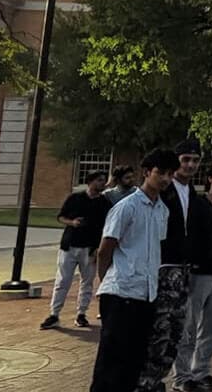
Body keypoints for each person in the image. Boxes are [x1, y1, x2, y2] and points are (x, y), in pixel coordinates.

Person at [90, 149, 177, 392]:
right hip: (120, 292)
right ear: (147, 172)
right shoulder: (126, 207)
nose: (165, 179)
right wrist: (106, 280)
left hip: (146, 294)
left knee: (134, 361)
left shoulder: (163, 211)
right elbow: (105, 249)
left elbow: (153, 249)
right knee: (110, 362)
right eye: (160, 173)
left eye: (170, 174)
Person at [137, 140, 204, 392]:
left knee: (177, 330)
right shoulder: (162, 191)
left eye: (195, 160)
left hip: (184, 269)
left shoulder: (193, 193)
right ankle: (145, 381)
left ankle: (162, 379)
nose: (190, 165)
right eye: (185, 159)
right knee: (158, 330)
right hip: (162, 267)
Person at [173, 160, 212, 391]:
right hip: (198, 272)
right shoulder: (197, 204)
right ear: (210, 178)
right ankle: (182, 377)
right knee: (188, 327)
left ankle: (201, 372)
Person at [41, 170, 112, 330]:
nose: (102, 183)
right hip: (70, 245)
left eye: (104, 180)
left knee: (87, 282)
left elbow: (107, 227)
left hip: (90, 248)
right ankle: (54, 314)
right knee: (62, 281)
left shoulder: (104, 203)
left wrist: (98, 248)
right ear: (90, 182)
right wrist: (72, 222)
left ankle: (81, 314)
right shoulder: (75, 198)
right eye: (99, 180)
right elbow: (61, 217)